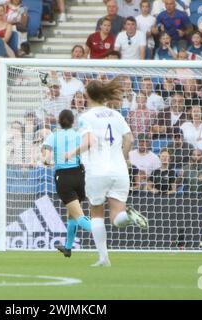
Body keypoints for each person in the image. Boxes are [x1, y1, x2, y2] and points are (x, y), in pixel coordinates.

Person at [65, 78, 148, 267]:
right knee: (117, 216)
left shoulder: (86, 117)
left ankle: (104, 258)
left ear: (87, 96)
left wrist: (71, 153)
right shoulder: (116, 114)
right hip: (119, 170)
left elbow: (88, 143)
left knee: (96, 213)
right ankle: (129, 216)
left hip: (97, 171)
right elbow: (129, 139)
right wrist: (124, 157)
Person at [41, 109, 92, 258]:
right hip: (79, 175)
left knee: (79, 216)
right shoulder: (77, 135)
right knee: (72, 215)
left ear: (59, 121)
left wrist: (45, 160)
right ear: (72, 121)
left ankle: (98, 231)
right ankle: (68, 248)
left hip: (64, 178)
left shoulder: (53, 136)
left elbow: (47, 159)